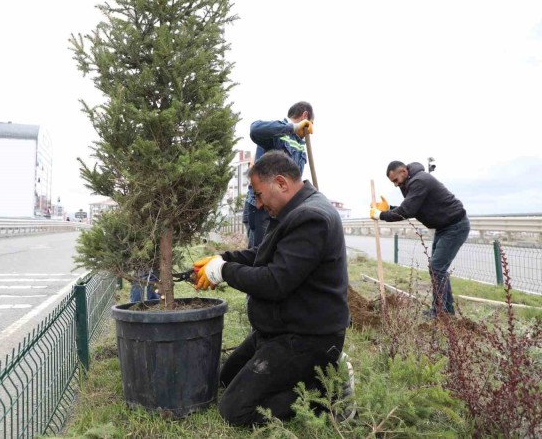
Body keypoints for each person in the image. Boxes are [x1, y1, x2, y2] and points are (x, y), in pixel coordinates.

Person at [193, 150, 350, 426]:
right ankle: (308, 377)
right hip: (279, 329)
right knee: (227, 378)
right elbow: (261, 255)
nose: (257, 203)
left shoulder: (311, 218)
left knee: (234, 410)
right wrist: (223, 259)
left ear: (281, 183)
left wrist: (224, 272)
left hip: (307, 338)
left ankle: (328, 391)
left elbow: (275, 282)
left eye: (258, 193)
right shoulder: (293, 210)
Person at [370, 161, 470, 316]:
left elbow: (407, 210)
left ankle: (439, 312)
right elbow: (413, 206)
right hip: (444, 227)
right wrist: (389, 208)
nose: (396, 185)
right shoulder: (410, 182)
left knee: (437, 268)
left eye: (396, 180)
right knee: (437, 268)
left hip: (455, 226)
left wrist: (381, 215)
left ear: (403, 171)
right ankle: (447, 311)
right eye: (393, 182)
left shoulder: (420, 181)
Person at [245, 101, 314, 247]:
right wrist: (293, 128)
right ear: (305, 116)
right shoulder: (278, 132)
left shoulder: (301, 144)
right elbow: (255, 129)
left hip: (283, 210)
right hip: (264, 206)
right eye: (311, 123)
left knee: (273, 253)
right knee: (259, 254)